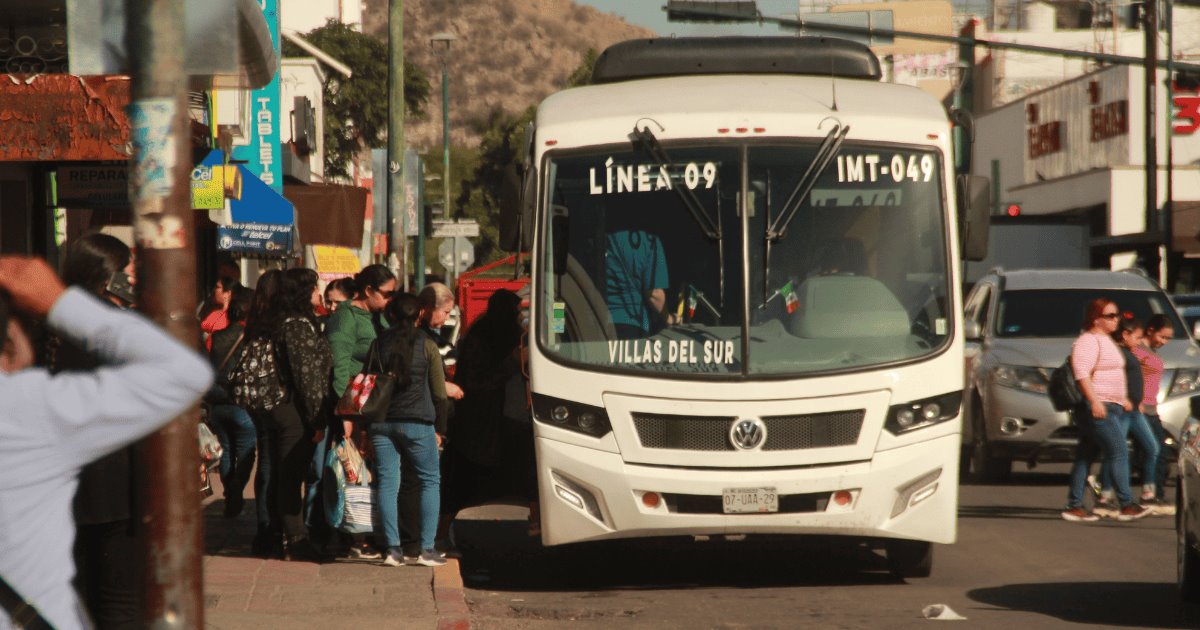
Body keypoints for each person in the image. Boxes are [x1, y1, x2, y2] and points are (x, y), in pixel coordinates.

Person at [0, 256, 212, 630]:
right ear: (12, 337)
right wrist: (59, 301)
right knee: (117, 598)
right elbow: (183, 372)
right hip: (109, 494)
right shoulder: (23, 407)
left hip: (97, 493)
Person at [47, 233, 145, 629]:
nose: (136, 276)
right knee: (120, 600)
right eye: (130, 268)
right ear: (109, 275)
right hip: (116, 482)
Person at [245, 267, 332, 561]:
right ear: (303, 292)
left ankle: (272, 537)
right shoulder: (297, 325)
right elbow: (306, 377)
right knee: (290, 476)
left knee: (280, 474)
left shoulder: (280, 322)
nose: (319, 293)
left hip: (275, 408)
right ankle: (296, 540)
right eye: (314, 288)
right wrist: (317, 419)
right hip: (291, 410)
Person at [441, 290, 539, 540]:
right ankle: (440, 532)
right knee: (463, 482)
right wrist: (513, 362)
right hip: (482, 424)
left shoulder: (509, 334)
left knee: (528, 474)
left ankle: (537, 520)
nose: (519, 317)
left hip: (510, 419)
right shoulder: (483, 337)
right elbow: (477, 381)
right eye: (515, 312)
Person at [318, 264, 395, 557]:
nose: (390, 299)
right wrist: (345, 414)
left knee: (368, 472)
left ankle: (365, 533)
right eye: (387, 294)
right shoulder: (345, 317)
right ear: (369, 291)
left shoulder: (377, 317)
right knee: (351, 472)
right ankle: (351, 537)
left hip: (372, 405)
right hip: (353, 406)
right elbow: (339, 365)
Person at [372, 294, 449, 567]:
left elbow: (368, 382)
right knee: (430, 480)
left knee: (387, 483)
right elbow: (440, 393)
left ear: (390, 316)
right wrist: (442, 428)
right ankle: (426, 549)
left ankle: (392, 549)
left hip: (381, 422)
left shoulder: (379, 343)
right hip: (418, 423)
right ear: (419, 316)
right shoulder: (428, 345)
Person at [1061, 299, 1152, 523]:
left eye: (1116, 315)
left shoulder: (1107, 340)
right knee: (1119, 451)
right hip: (1099, 407)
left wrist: (1123, 399)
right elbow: (1082, 373)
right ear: (1096, 319)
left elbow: (1112, 374)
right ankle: (1127, 504)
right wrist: (1094, 402)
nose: (1116, 319)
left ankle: (1075, 506)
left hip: (1112, 406)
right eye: (1110, 316)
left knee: (1085, 456)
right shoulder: (1088, 341)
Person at [1092, 317, 1160, 514]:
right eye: (1136, 337)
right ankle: (1105, 494)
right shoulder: (1117, 354)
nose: (1139, 342)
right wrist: (1123, 398)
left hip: (1134, 411)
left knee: (1152, 447)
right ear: (1125, 335)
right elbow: (1111, 379)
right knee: (1116, 452)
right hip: (1122, 410)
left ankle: (1148, 491)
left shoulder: (1128, 353)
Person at [207, 285, 256, 519]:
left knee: (225, 451)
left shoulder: (216, 337)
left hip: (218, 403)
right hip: (242, 404)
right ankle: (235, 490)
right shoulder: (251, 338)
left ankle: (230, 493)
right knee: (247, 452)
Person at [243, 269, 283, 555]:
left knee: (266, 462)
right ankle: (273, 527)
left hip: (255, 399)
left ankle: (264, 527)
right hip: (277, 398)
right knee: (276, 464)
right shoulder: (281, 321)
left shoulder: (254, 318)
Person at [1136, 314, 1174, 505]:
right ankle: (1154, 494)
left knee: (1153, 451)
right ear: (1150, 330)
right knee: (1155, 451)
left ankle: (1155, 493)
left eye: (1168, 338)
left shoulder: (1149, 350)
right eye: (1162, 337)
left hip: (1151, 408)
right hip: (1141, 408)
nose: (1164, 342)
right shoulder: (1138, 350)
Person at [604, 227, 670, 339]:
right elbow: (654, 295)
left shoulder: (599, 237)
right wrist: (669, 319)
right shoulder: (650, 241)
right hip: (634, 326)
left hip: (596, 325)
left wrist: (561, 330)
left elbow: (563, 295)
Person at [201, 276, 240, 351]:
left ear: (228, 293)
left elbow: (202, 327)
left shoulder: (216, 315)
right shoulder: (215, 313)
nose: (215, 290)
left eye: (218, 287)